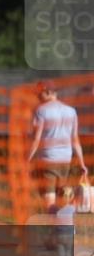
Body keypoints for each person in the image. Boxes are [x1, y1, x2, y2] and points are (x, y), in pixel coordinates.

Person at [28, 80, 87, 211]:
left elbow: (35, 140)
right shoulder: (71, 111)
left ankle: (59, 229)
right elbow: (75, 140)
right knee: (62, 197)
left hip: (47, 160)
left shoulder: (41, 111)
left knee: (50, 202)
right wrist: (82, 164)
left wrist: (26, 160)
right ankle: (63, 225)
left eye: (39, 93)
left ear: (49, 92)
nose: (37, 97)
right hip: (65, 160)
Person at [50, 186, 76, 256]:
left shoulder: (53, 208)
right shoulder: (73, 209)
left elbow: (52, 223)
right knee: (68, 253)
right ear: (71, 197)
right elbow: (74, 222)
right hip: (69, 234)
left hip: (59, 234)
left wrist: (52, 235)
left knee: (61, 254)